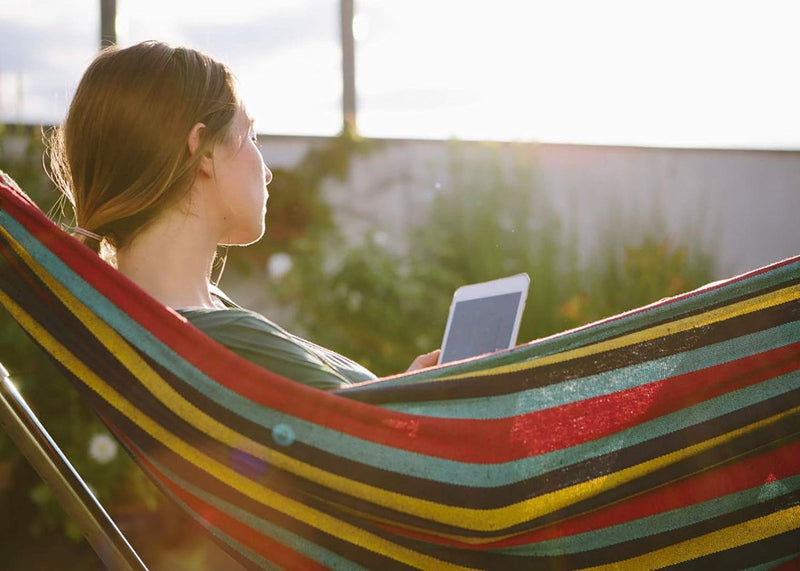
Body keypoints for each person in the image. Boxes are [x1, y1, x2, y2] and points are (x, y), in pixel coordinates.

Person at [48, 40, 438, 390]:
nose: (266, 171)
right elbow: (368, 441)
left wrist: (401, 393)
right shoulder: (226, 340)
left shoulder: (139, 328)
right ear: (203, 150)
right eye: (251, 136)